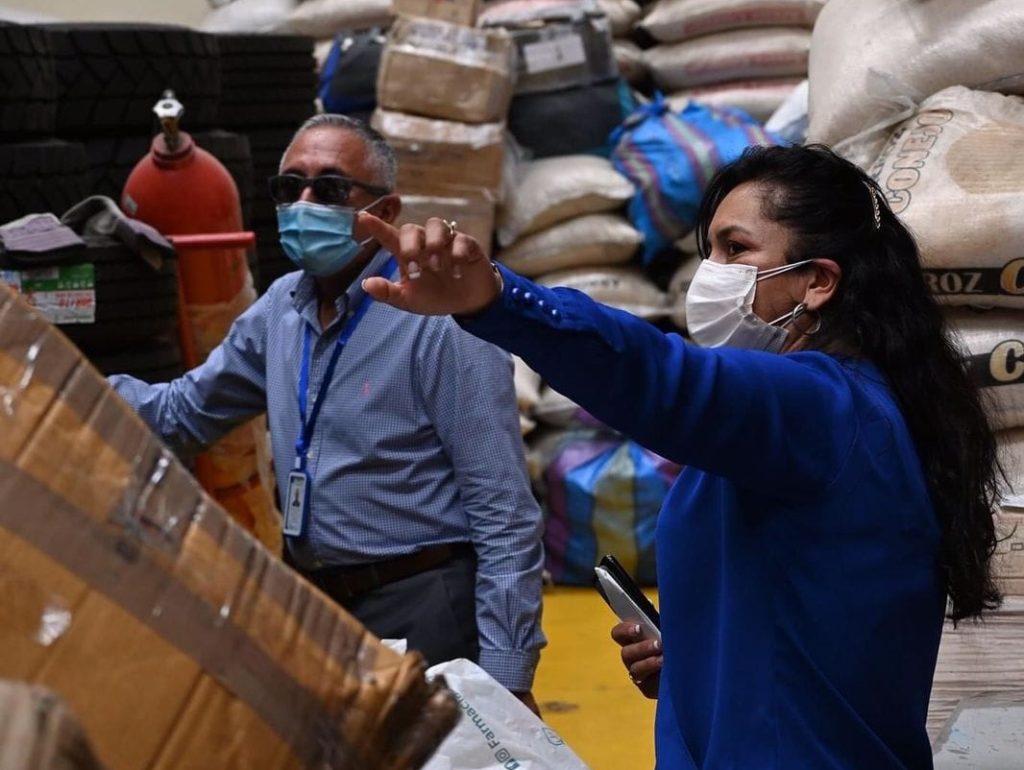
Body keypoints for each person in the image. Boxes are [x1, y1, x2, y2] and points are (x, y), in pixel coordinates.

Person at [358, 144, 1003, 768]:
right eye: (709, 251)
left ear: (818, 282)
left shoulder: (818, 405)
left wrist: (500, 300)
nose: (709, 274)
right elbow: (816, 628)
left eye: (735, 249)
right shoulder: (831, 416)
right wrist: (695, 659)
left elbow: (659, 377)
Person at [110, 114, 546, 710]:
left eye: (331, 188)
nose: (305, 203)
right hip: (318, 607)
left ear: (386, 211)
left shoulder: (440, 321)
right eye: (291, 187)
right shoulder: (279, 311)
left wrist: (508, 678)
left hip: (422, 604)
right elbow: (182, 413)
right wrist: (51, 375)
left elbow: (504, 512)